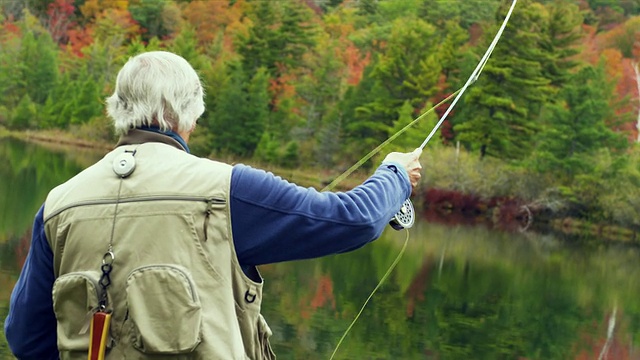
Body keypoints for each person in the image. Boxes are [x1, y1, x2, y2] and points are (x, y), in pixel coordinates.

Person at [4, 51, 422, 359]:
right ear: (191, 116)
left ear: (118, 110)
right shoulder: (227, 188)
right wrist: (395, 174)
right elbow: (355, 220)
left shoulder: (58, 204)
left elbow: (26, 338)